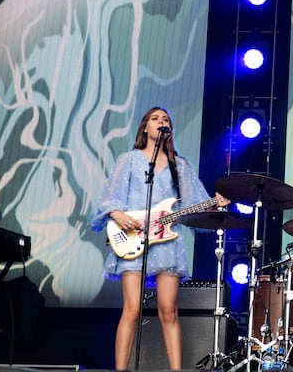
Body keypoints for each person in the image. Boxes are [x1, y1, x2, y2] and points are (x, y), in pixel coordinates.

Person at [91, 107, 230, 370]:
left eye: (166, 119)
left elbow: (195, 204)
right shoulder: (129, 159)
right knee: (132, 309)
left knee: (169, 309)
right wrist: (119, 215)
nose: (161, 122)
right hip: (132, 236)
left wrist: (215, 204)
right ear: (145, 127)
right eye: (155, 118)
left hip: (167, 243)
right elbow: (110, 197)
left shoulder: (181, 165)